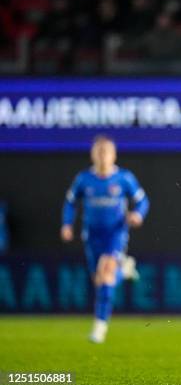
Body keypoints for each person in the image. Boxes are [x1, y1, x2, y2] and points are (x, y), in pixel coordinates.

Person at [61, 135, 149, 343]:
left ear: (113, 155)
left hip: (115, 234)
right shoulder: (84, 179)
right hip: (92, 235)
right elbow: (70, 202)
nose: (102, 157)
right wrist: (67, 224)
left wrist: (137, 215)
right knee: (101, 281)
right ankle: (124, 270)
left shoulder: (124, 178)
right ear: (93, 155)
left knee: (105, 270)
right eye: (98, 152)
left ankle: (100, 327)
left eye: (106, 152)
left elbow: (143, 201)